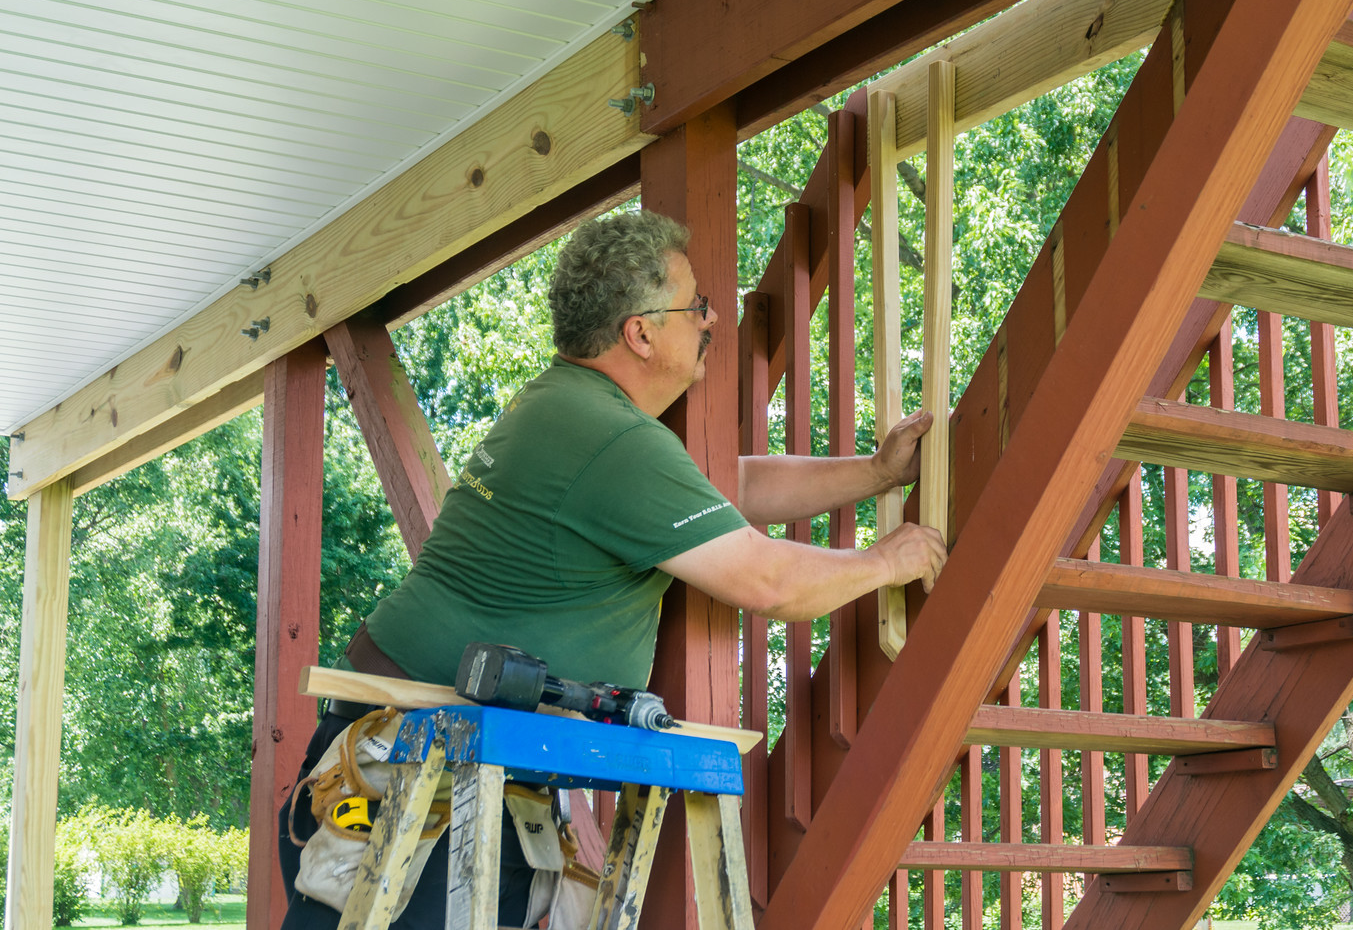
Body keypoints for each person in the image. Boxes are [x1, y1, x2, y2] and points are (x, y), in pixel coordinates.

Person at [279, 210, 947, 927]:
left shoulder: (569, 409)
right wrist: (884, 560)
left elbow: (728, 491)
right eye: (696, 304)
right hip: (414, 778)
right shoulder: (611, 440)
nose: (710, 317)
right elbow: (771, 582)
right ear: (641, 331)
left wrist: (875, 474)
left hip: (412, 762)